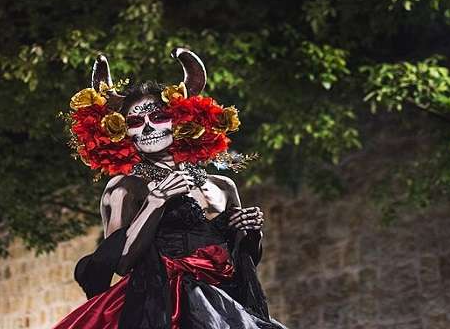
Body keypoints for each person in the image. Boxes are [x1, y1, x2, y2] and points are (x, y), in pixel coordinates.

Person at [55, 48, 287, 329]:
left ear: (181, 120)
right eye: (135, 122)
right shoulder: (126, 187)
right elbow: (120, 262)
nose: (148, 128)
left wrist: (252, 233)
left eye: (158, 117)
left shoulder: (223, 186)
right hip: (161, 307)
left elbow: (245, 259)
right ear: (123, 133)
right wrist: (156, 201)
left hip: (226, 304)